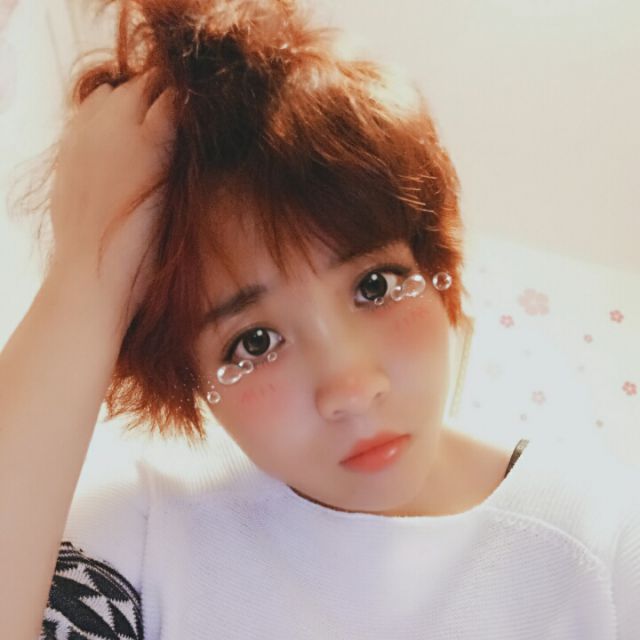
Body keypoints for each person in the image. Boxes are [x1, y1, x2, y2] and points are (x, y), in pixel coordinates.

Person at [1, 0, 638, 638]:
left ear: (435, 265)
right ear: (191, 380)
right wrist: (85, 277)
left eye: (375, 286)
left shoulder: (605, 545)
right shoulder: (142, 539)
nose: (351, 388)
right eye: (255, 341)